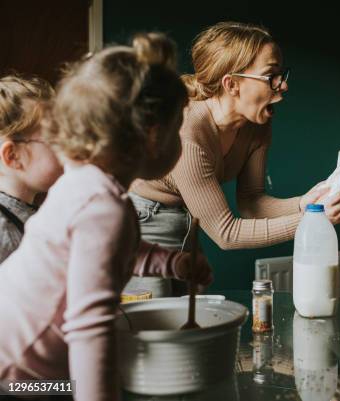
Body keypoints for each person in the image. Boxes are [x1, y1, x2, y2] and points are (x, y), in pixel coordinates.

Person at [0, 33, 210, 401]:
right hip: (19, 379)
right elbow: (90, 328)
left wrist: (169, 262)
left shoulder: (87, 186)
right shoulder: (100, 204)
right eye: (178, 128)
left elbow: (114, 251)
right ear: (153, 135)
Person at [128, 22, 340, 294]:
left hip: (186, 219)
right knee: (150, 328)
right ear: (232, 84)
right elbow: (226, 233)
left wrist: (304, 204)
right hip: (141, 222)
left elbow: (251, 202)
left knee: (183, 323)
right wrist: (314, 220)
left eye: (282, 75)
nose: (282, 85)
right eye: (271, 76)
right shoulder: (189, 132)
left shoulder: (257, 125)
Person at [0, 75, 63, 263]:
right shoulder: (4, 231)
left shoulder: (30, 213)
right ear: (13, 156)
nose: (70, 149)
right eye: (55, 140)